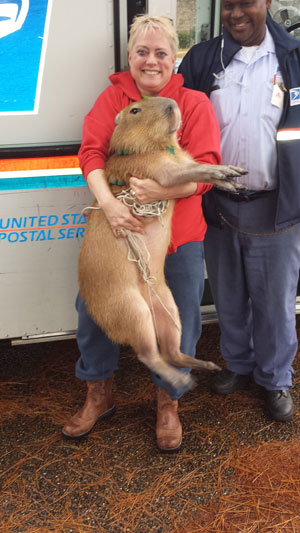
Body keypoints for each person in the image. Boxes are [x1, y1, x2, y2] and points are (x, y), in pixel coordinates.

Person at [62, 15, 222, 451]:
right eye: (142, 52)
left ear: (175, 58)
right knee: (93, 309)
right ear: (130, 56)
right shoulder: (112, 99)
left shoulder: (192, 103)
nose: (151, 61)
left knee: (178, 316)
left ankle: (167, 402)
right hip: (118, 234)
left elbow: (204, 170)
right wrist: (110, 206)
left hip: (176, 237)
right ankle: (99, 393)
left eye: (161, 53)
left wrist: (167, 185)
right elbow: (91, 154)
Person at [178, 0, 300, 422]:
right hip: (217, 206)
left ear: (266, 2)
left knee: (275, 302)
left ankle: (275, 378)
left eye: (246, 2)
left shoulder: (294, 58)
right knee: (229, 297)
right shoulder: (202, 59)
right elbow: (177, 123)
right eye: (228, 5)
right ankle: (240, 363)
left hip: (276, 207)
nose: (236, 14)